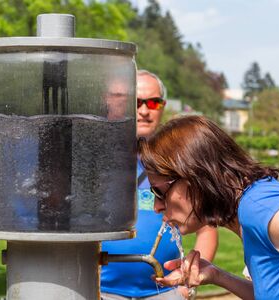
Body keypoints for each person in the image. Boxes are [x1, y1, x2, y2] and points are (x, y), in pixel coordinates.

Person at [139, 115, 279, 300]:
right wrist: (218, 276)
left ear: (193, 176)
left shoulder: (259, 208)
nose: (156, 207)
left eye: (159, 192)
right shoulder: (251, 210)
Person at [101, 71, 218, 300]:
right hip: (102, 292)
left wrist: (185, 287)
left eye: (153, 102)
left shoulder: (179, 160)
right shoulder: (97, 159)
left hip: (165, 292)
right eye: (136, 102)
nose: (144, 111)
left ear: (162, 106)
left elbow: (207, 228)